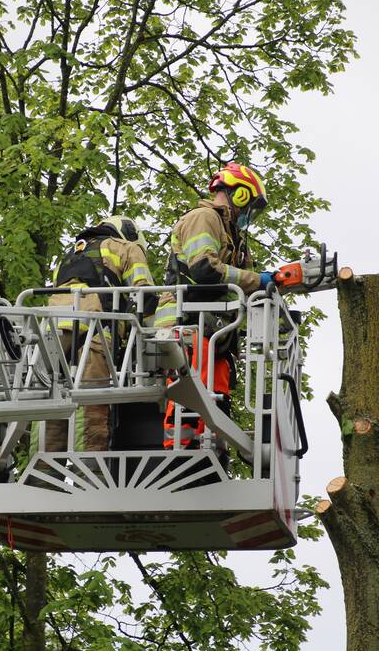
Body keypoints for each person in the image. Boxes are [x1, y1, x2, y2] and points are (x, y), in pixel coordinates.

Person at [154, 161, 274, 450]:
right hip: (185, 320)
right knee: (192, 389)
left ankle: (213, 447)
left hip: (213, 327)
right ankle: (182, 449)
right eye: (250, 204)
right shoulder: (203, 218)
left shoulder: (231, 234)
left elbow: (244, 280)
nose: (249, 213)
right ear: (240, 194)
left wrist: (271, 282)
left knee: (218, 386)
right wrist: (255, 280)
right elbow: (204, 269)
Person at [42, 216, 156, 459]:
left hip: (54, 335)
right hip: (96, 335)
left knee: (49, 409)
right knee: (91, 406)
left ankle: (41, 481)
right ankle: (91, 475)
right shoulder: (127, 247)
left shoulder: (70, 255)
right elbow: (144, 294)